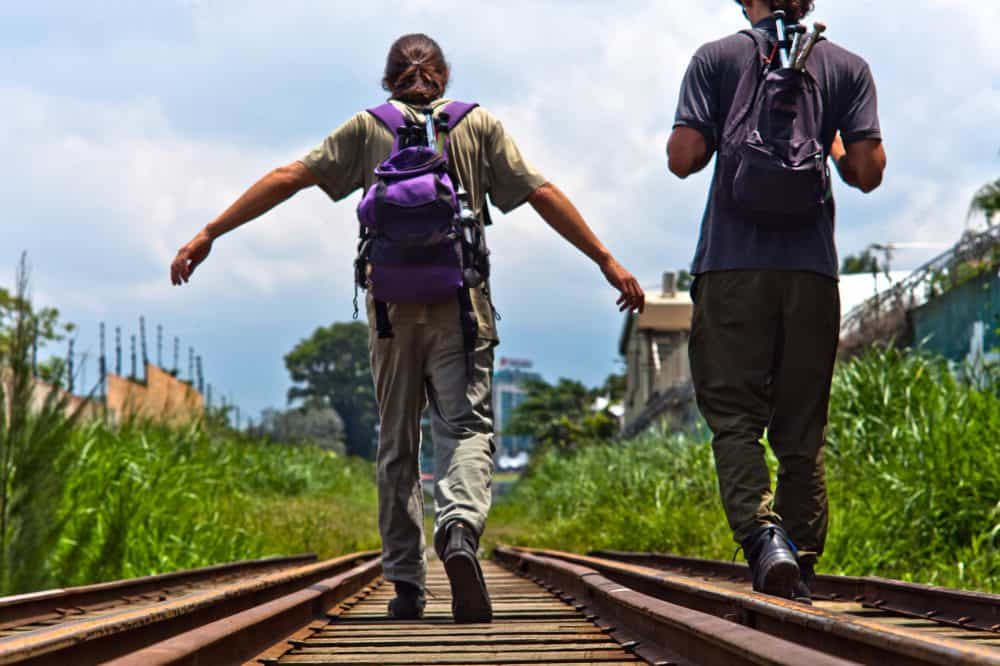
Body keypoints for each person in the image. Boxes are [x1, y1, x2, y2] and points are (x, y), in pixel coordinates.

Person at [170, 33, 644, 623]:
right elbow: (541, 193)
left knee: (398, 445)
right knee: (466, 429)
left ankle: (406, 585)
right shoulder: (478, 126)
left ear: (387, 79)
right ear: (444, 77)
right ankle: (460, 530)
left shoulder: (368, 128)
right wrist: (606, 260)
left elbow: (288, 175)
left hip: (391, 312)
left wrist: (210, 232)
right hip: (462, 309)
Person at [667, 0, 886, 601]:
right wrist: (830, 142)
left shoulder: (717, 58)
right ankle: (803, 558)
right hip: (812, 271)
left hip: (732, 265)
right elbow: (868, 172)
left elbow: (683, 159)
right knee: (802, 428)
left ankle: (765, 542)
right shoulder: (845, 66)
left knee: (735, 421)